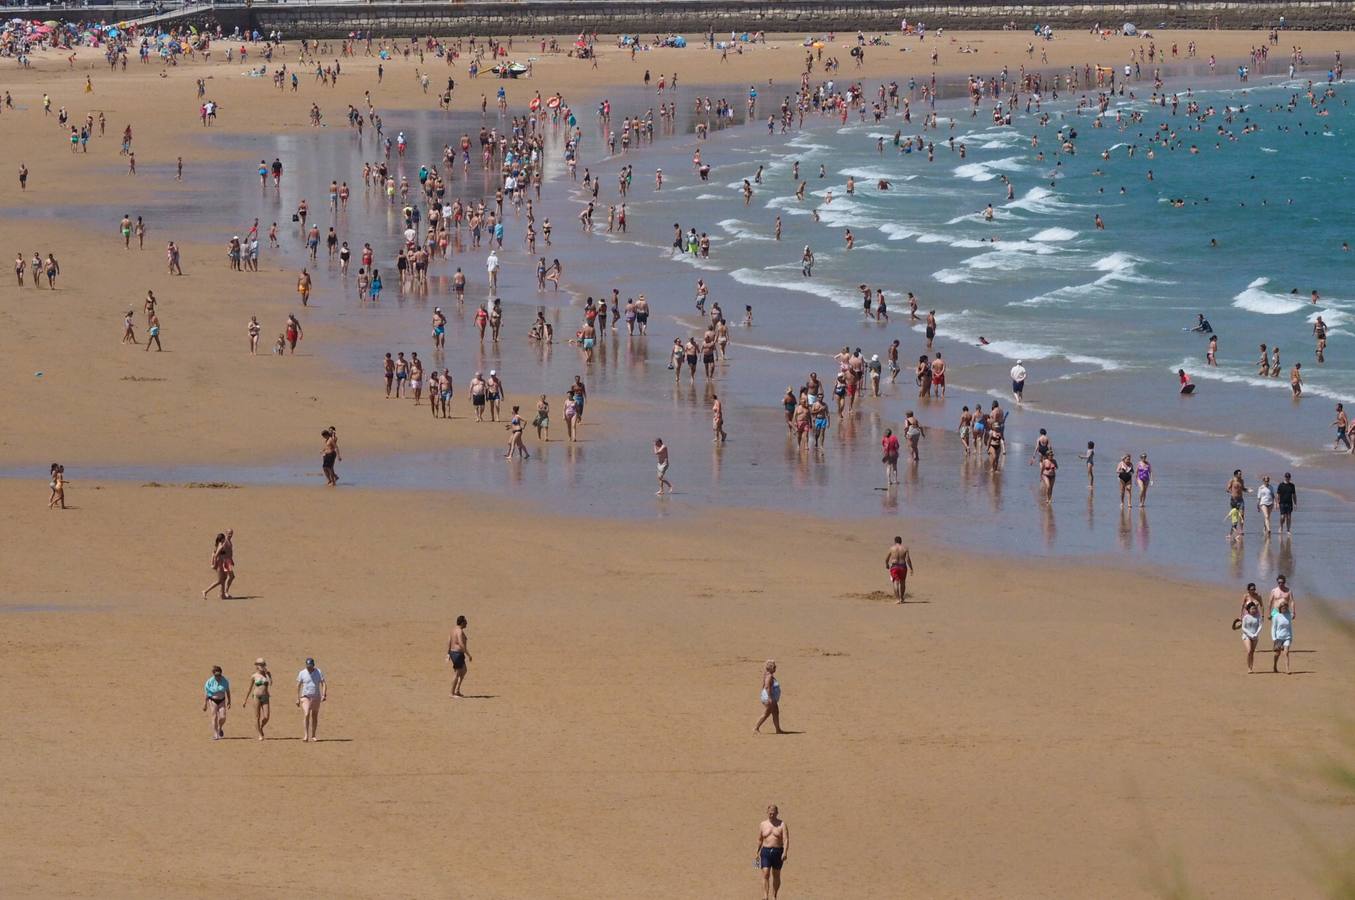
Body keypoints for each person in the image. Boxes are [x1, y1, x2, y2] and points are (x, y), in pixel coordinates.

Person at [756, 805, 789, 900]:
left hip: (778, 851)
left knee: (776, 874)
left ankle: (774, 895)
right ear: (767, 812)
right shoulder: (763, 824)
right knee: (765, 873)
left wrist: (785, 852)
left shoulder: (782, 824)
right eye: (770, 813)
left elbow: (786, 839)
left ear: (777, 813)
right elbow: (759, 839)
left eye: (773, 813)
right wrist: (756, 852)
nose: (771, 815)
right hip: (765, 851)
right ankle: (765, 896)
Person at [1268, 576, 1295, 674]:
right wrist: (1269, 613)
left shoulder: (1288, 591)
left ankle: (1287, 669)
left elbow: (1292, 601)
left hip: (1286, 610)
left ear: (1285, 582)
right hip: (1276, 611)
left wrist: (1294, 611)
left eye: (1282, 582)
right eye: (1279, 582)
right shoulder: (1274, 591)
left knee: (1286, 651)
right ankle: (1275, 662)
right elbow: (1270, 602)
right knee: (1277, 652)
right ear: (1277, 582)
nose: (1281, 584)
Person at [296, 657, 326, 742]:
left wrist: (324, 694)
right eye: (307, 666)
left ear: (313, 665)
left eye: (310, 666)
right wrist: (297, 698)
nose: (308, 667)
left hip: (316, 697)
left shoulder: (318, 672)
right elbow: (298, 685)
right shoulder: (302, 673)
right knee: (306, 713)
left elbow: (323, 683)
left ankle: (313, 735)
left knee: (314, 716)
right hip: (305, 697)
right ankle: (306, 735)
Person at [241, 658, 272, 740]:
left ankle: (261, 727)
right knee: (257, 716)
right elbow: (249, 688)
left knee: (267, 716)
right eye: (260, 665)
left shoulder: (267, 674)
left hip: (265, 697)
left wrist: (268, 675)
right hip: (256, 696)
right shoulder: (254, 676)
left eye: (263, 664)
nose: (262, 666)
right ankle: (260, 734)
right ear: (257, 666)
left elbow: (271, 683)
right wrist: (245, 700)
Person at [1237, 585, 1264, 673]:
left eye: (1254, 589)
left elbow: (1262, 606)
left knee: (1252, 652)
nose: (1253, 590)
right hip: (1247, 629)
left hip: (1255, 625)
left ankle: (1251, 667)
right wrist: (1240, 616)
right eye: (1251, 589)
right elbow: (1242, 606)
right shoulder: (1246, 596)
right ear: (1248, 590)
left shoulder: (1258, 596)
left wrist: (1262, 616)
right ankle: (1249, 668)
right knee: (1249, 651)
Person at [202, 531, 234, 599]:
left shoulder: (226, 542)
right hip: (221, 564)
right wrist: (213, 564)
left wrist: (231, 560)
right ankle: (205, 591)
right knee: (220, 580)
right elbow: (215, 555)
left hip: (226, 562)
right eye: (229, 533)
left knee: (224, 579)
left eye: (232, 533)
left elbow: (228, 552)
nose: (230, 535)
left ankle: (222, 595)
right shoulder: (222, 544)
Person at [754, 660, 784, 734]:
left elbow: (764, 686)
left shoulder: (767, 674)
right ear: (770, 668)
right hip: (769, 697)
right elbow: (767, 687)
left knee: (776, 712)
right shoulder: (769, 676)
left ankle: (778, 729)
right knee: (766, 713)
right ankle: (756, 728)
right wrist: (769, 698)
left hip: (771, 697)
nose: (775, 668)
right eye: (774, 667)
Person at [202, 665, 232, 740]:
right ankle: (215, 734)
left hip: (222, 700)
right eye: (216, 675)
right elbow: (206, 693)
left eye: (219, 675)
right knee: (214, 716)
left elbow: (227, 691)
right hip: (212, 700)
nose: (218, 677)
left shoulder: (225, 681)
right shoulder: (209, 681)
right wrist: (205, 703)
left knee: (223, 717)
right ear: (213, 674)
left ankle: (220, 727)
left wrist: (229, 701)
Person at [447, 615, 471, 697]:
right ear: (462, 622)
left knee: (464, 670)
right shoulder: (459, 631)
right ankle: (451, 693)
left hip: (455, 653)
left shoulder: (453, 630)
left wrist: (448, 653)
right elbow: (461, 643)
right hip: (457, 654)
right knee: (457, 673)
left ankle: (457, 690)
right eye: (465, 622)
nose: (467, 623)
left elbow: (449, 641)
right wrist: (468, 654)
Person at [886, 536, 913, 603]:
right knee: (903, 582)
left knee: (895, 582)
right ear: (901, 541)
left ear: (895, 541)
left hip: (894, 567)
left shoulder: (891, 548)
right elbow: (907, 559)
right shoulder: (905, 548)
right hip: (903, 567)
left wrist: (887, 564)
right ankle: (902, 598)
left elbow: (886, 558)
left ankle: (898, 599)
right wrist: (911, 568)